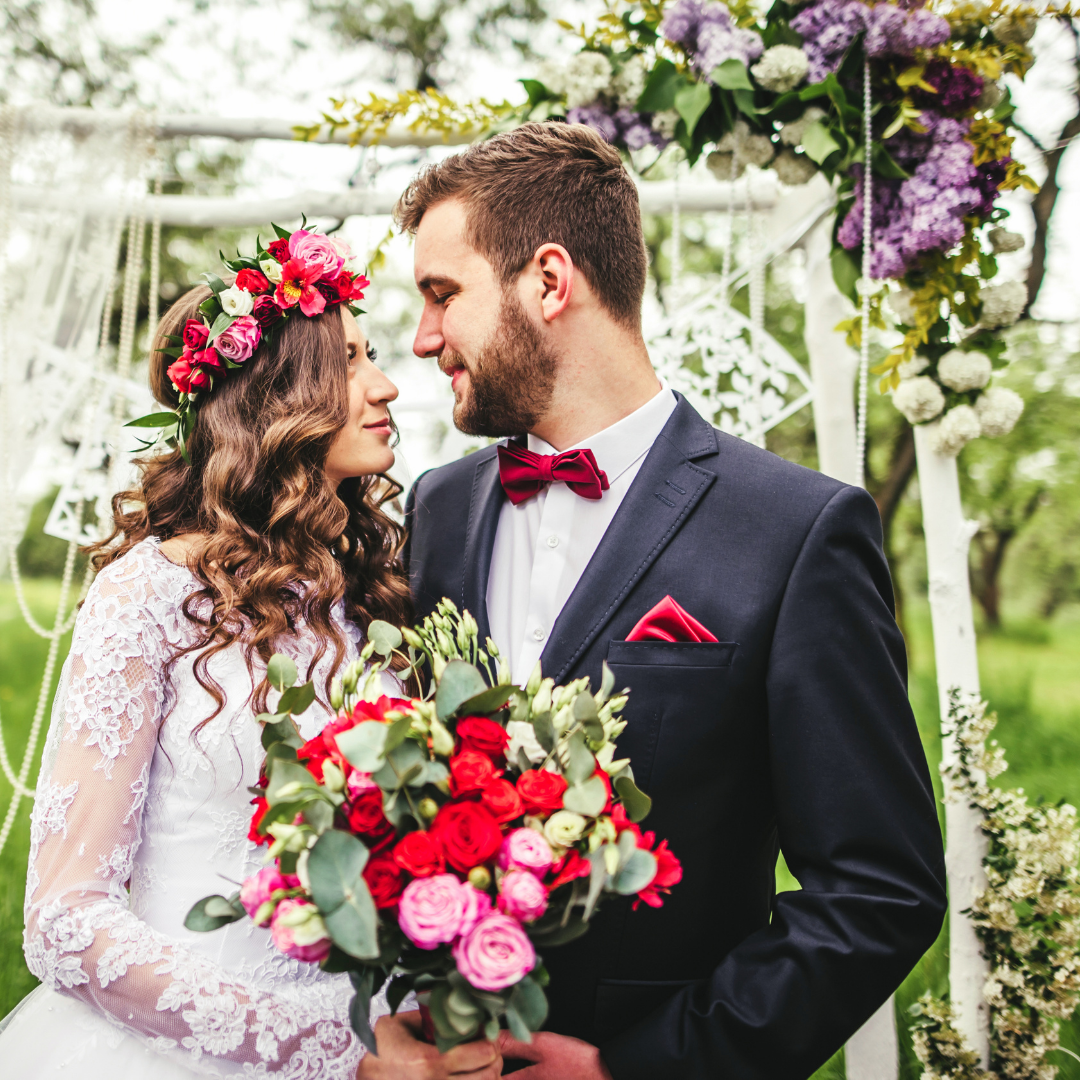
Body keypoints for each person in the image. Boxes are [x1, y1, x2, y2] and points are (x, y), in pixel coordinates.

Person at [373, 122, 948, 1080]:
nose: (425, 338)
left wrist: (635, 1070)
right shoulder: (439, 507)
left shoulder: (797, 529)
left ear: (549, 282)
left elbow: (878, 889)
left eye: (443, 295)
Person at [0, 239, 503, 1080]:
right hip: (187, 1052)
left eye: (371, 354)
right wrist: (336, 1051)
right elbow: (63, 918)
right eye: (346, 362)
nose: (382, 385)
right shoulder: (148, 597)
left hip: (395, 1034)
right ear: (276, 402)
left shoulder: (381, 587)